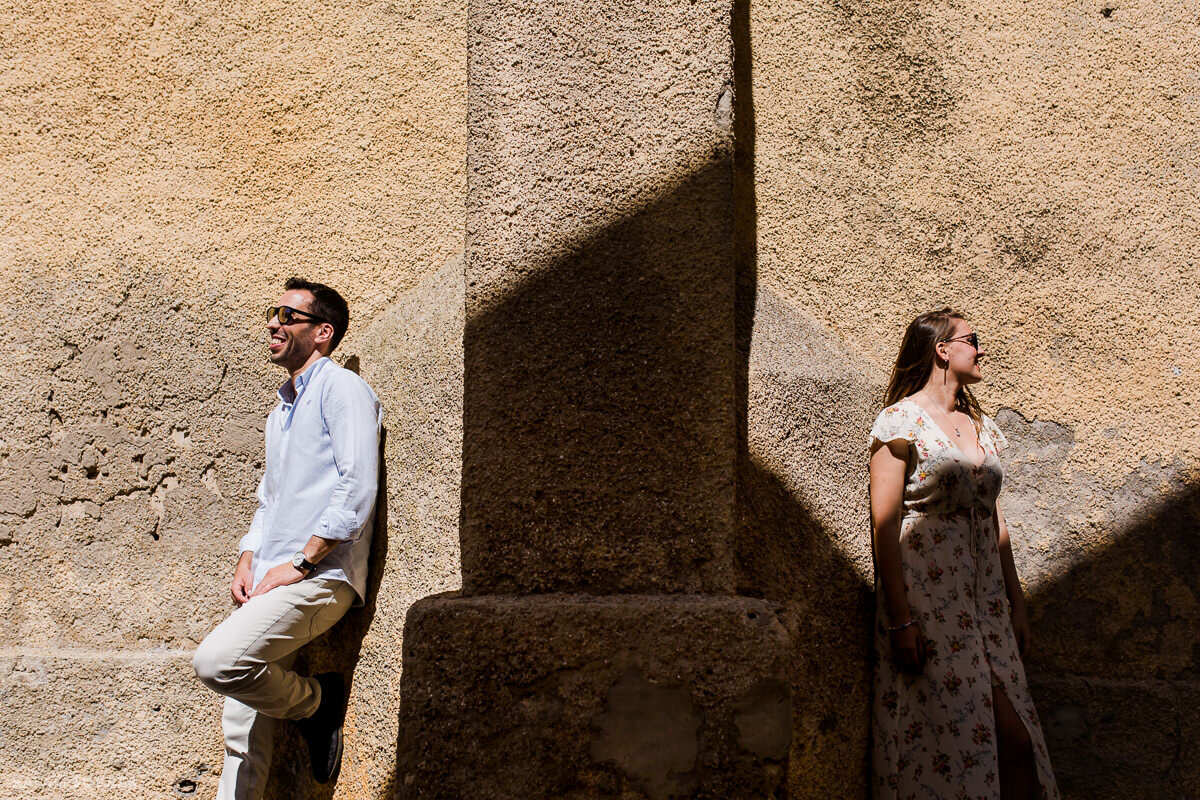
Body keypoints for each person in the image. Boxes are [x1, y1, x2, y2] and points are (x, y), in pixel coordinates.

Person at [193, 278, 382, 800]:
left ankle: (315, 705)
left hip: (320, 577)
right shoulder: (282, 410)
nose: (273, 323)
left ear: (323, 333)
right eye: (271, 313)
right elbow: (270, 498)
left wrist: (301, 563)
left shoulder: (341, 388)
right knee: (240, 730)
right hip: (273, 575)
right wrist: (248, 555)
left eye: (287, 315)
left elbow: (357, 484)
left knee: (218, 662)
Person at [868, 309, 1058, 800]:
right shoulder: (900, 422)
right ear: (942, 350)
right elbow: (885, 526)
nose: (981, 348)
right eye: (972, 339)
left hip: (986, 604)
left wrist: (1016, 601)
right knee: (956, 737)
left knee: (1016, 743)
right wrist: (900, 618)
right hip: (930, 602)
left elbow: (995, 520)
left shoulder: (981, 426)